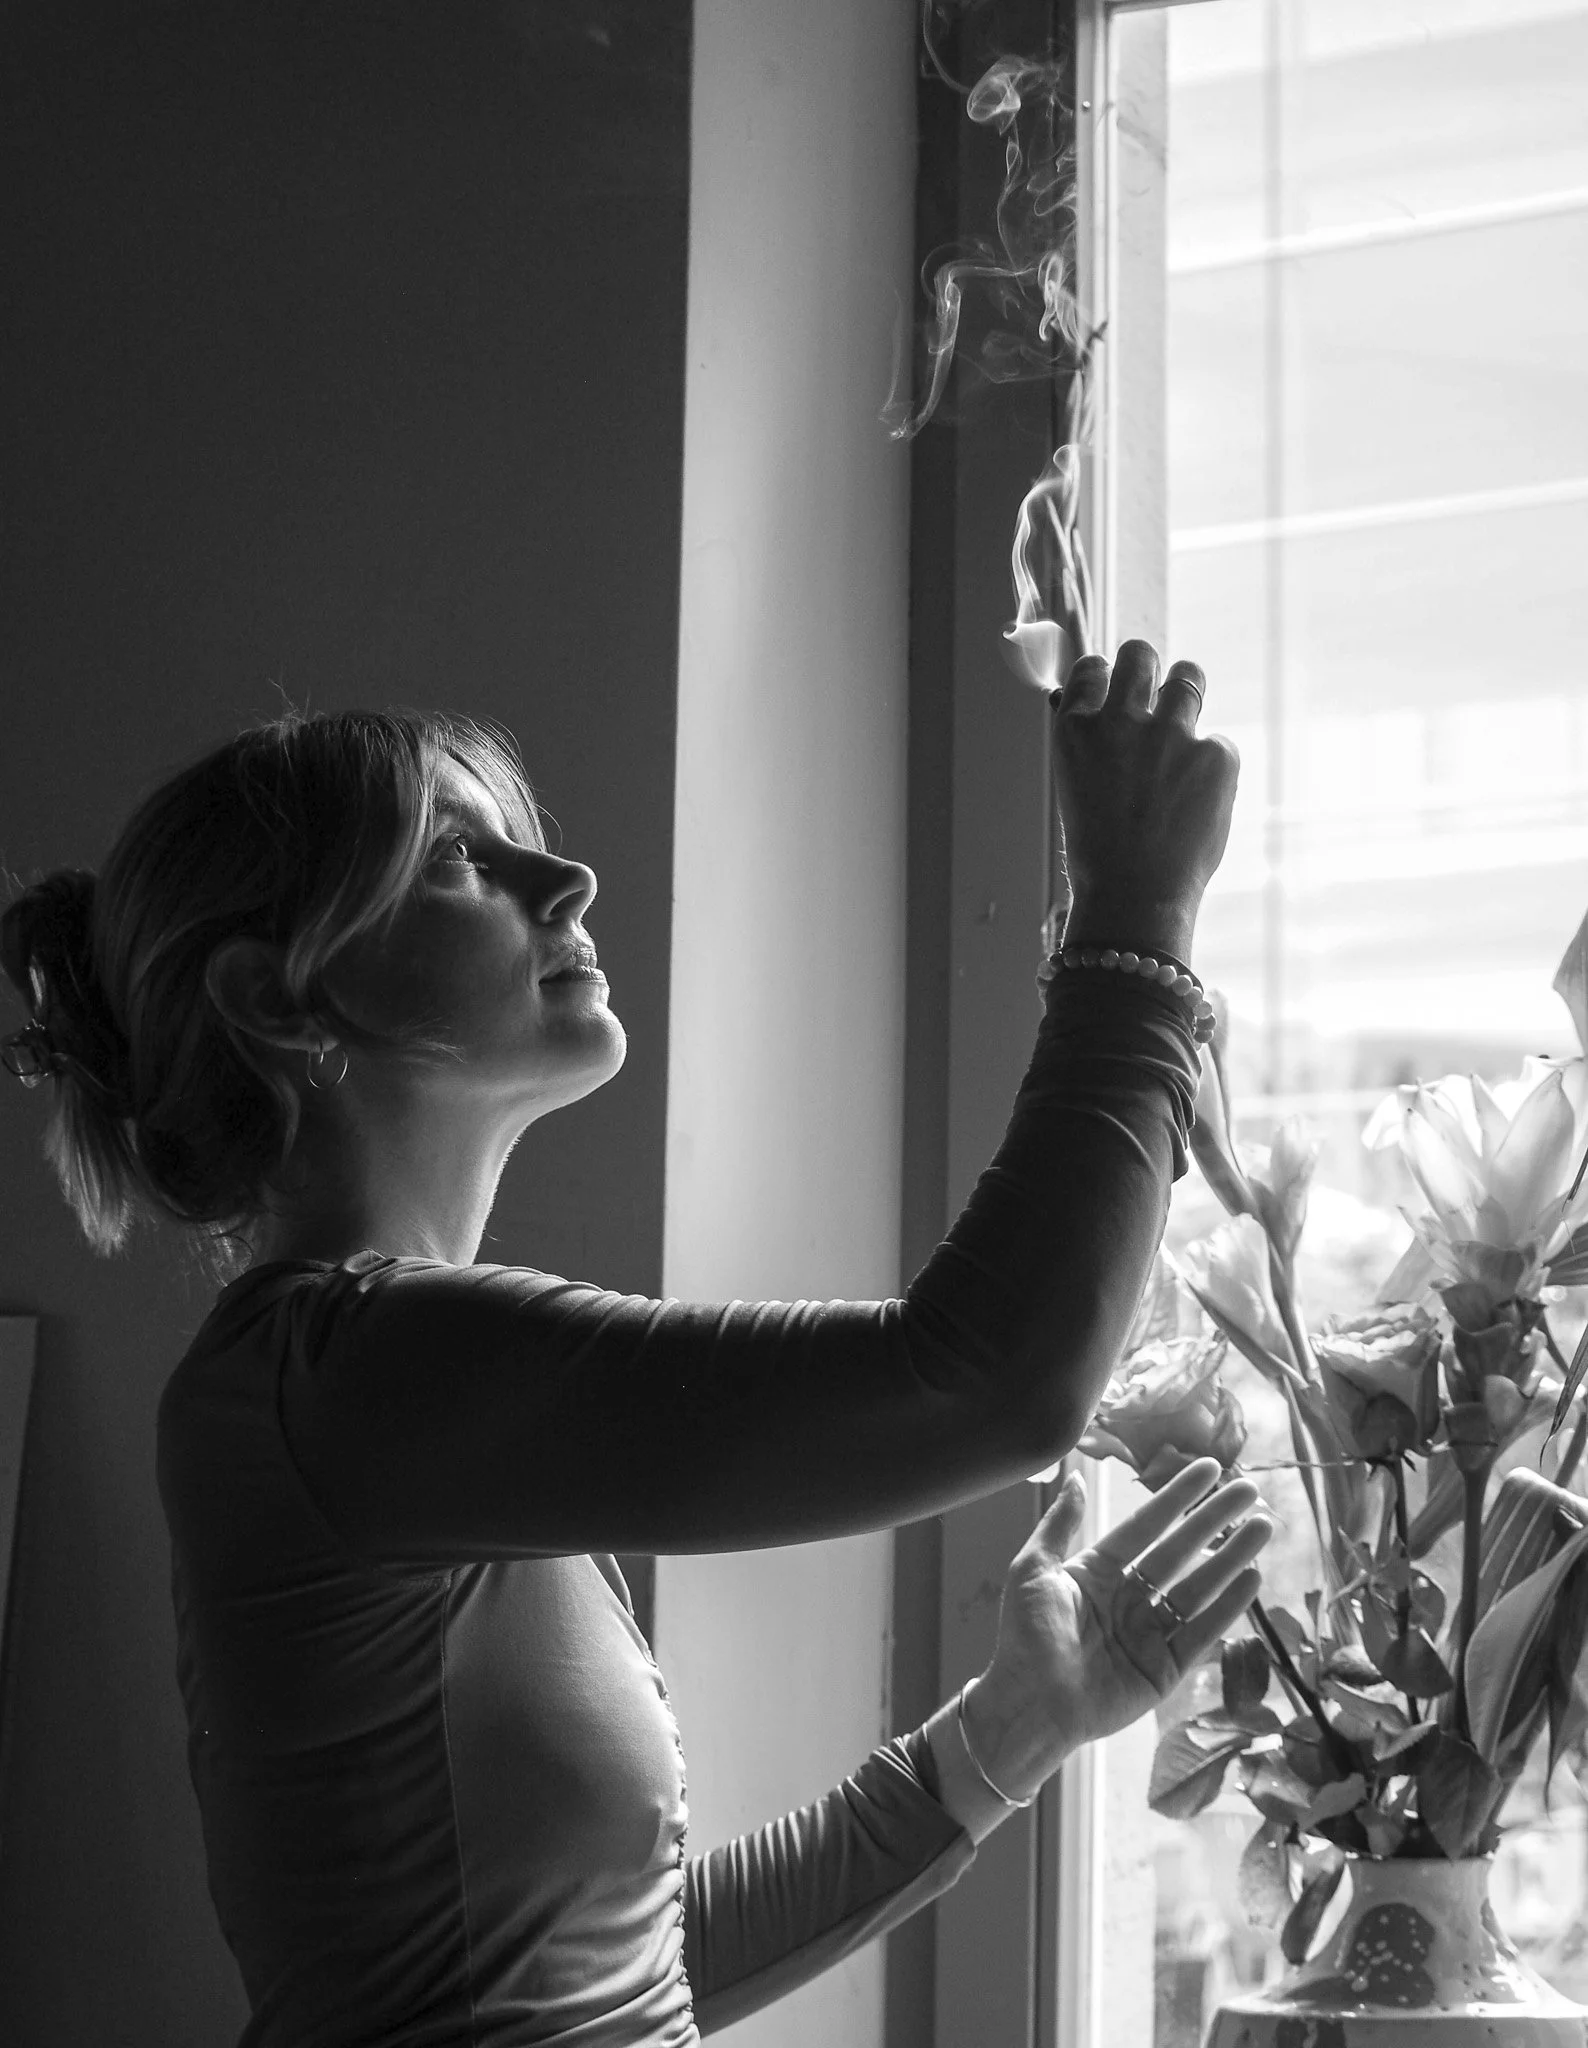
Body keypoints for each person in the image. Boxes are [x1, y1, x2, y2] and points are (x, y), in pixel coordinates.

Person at [1, 638, 1266, 2047]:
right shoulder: (349, 1370)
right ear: (277, 1000)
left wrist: (1010, 1728)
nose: (569, 883)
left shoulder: (379, 1391)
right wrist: (1135, 930)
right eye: (462, 863)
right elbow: (991, 1376)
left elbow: (618, 1978)